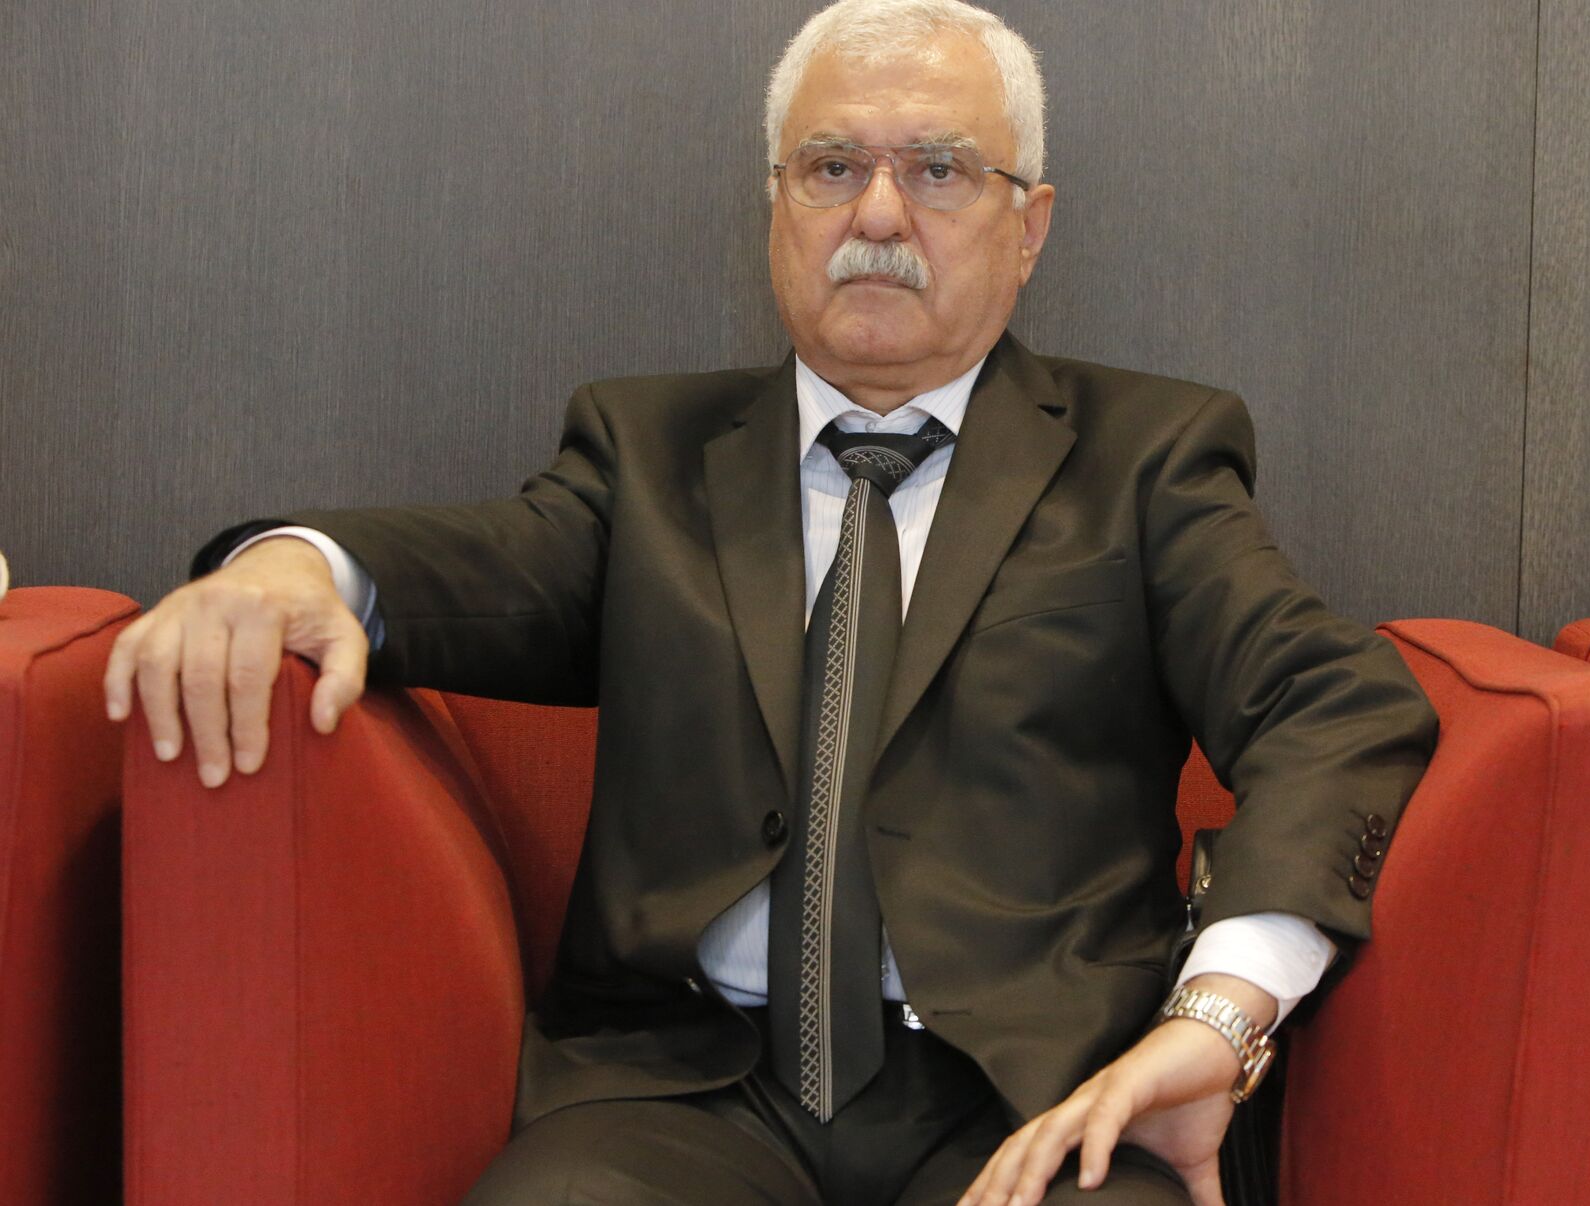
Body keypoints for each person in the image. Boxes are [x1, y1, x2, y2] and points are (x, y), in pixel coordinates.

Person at [104, 2, 1436, 1203]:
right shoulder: (645, 453)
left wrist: (1216, 1018)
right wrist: (290, 568)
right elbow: (481, 567)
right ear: (776, 204)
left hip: (1033, 1098)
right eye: (833, 166)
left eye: (939, 169)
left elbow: (1334, 706)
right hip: (681, 1095)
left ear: (1029, 225)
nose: (879, 216)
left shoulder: (1146, 460)